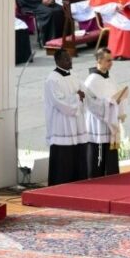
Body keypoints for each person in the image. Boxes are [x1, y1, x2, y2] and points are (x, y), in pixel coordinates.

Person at [44, 49, 91, 186]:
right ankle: (60, 185)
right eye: (66, 59)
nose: (70, 61)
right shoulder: (52, 80)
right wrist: (77, 97)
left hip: (76, 124)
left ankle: (79, 183)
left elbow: (84, 91)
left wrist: (82, 95)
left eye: (70, 58)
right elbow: (59, 102)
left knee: (78, 154)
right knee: (63, 158)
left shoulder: (73, 75)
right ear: (58, 61)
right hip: (62, 125)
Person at [83, 48, 124, 178]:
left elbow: (116, 96)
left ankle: (112, 176)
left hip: (110, 122)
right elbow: (91, 103)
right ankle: (95, 178)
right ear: (99, 60)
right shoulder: (91, 81)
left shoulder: (110, 77)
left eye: (111, 60)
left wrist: (119, 103)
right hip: (98, 122)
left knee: (110, 154)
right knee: (97, 153)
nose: (111, 63)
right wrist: (109, 105)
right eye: (108, 60)